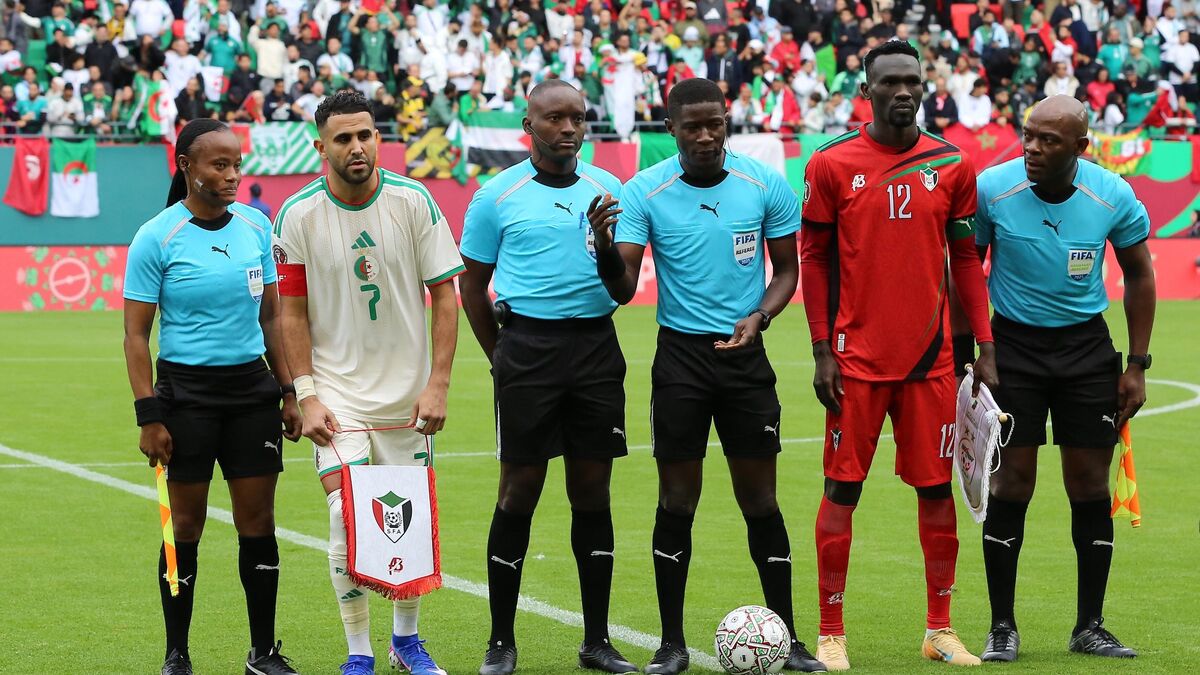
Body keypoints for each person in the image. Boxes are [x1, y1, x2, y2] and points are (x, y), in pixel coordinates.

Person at [590, 77, 823, 675]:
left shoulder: (765, 184)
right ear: (670, 129)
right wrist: (602, 246)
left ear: (728, 120)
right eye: (691, 126)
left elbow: (788, 271)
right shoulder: (647, 190)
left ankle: (791, 640)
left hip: (745, 359)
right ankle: (671, 644)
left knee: (761, 501)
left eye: (714, 123)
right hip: (681, 361)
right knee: (677, 502)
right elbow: (621, 289)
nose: (704, 135)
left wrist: (760, 317)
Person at [800, 40, 997, 670]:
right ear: (868, 89)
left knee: (937, 493)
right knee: (841, 492)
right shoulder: (831, 164)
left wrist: (983, 346)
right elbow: (815, 259)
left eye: (913, 81)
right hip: (855, 363)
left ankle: (940, 628)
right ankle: (832, 633)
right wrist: (820, 348)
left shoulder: (952, 164)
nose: (904, 92)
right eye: (890, 82)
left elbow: (966, 259)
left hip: (931, 363)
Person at [273, 90, 463, 675]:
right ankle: (359, 653)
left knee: (402, 516)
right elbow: (292, 312)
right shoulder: (298, 214)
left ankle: (407, 641)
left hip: (407, 396)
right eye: (343, 138)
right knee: (343, 516)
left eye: (366, 135)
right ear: (320, 146)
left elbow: (446, 295)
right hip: (338, 397)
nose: (357, 147)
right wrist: (306, 394)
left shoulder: (414, 200)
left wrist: (437, 384)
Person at [460, 79, 637, 675]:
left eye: (577, 119)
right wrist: (499, 356)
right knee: (519, 494)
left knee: (592, 495)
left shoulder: (609, 190)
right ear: (529, 127)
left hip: (594, 348)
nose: (568, 129)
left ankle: (595, 640)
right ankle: (501, 641)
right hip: (527, 351)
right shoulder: (495, 196)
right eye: (554, 119)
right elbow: (471, 287)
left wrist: (608, 241)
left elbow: (623, 289)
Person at [973, 94, 1156, 662]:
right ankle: (1002, 627)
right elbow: (963, 272)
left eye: (1048, 140)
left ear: (1080, 148)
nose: (1032, 148)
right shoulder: (991, 190)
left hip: (1085, 348)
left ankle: (1090, 626)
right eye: (1028, 135)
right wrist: (978, 351)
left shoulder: (1112, 194)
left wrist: (1137, 365)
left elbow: (1141, 275)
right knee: (1012, 485)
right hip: (1014, 350)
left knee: (1089, 486)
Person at [122, 118, 303, 675]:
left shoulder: (254, 225)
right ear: (187, 167)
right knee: (185, 528)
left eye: (236, 164)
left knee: (258, 523)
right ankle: (177, 654)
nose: (230, 175)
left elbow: (272, 315)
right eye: (218, 165)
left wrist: (291, 391)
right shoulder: (157, 236)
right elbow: (135, 336)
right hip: (187, 399)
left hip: (252, 395)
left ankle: (263, 651)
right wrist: (149, 416)